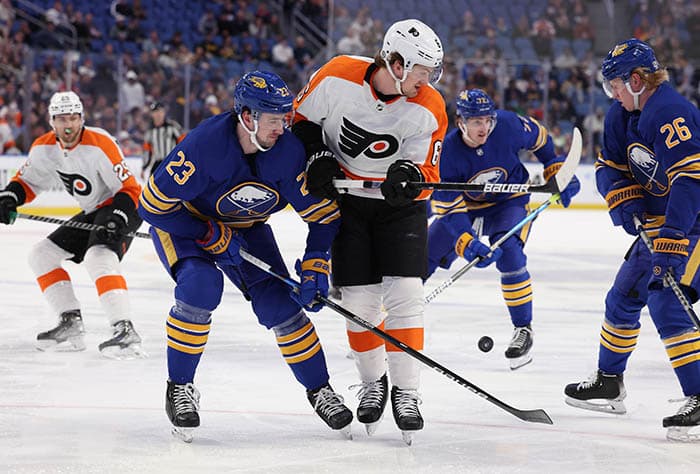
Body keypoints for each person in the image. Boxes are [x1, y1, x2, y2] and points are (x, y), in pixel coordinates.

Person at [137, 71, 353, 442]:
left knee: (281, 307)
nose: (282, 127)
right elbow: (152, 207)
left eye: (285, 118)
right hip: (188, 224)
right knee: (202, 285)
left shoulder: (288, 152)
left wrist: (317, 260)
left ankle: (320, 389)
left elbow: (323, 217)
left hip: (248, 227)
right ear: (248, 117)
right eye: (273, 119)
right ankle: (180, 388)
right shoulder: (203, 146)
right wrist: (206, 232)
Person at [293, 18, 447, 442]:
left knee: (406, 296)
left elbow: (429, 167)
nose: (427, 79)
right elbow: (301, 121)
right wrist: (317, 155)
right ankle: (373, 382)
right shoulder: (337, 75)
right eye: (421, 69)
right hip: (349, 204)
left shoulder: (430, 105)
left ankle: (406, 391)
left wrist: (410, 173)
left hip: (402, 209)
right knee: (360, 301)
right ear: (395, 62)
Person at [564, 38, 700, 442]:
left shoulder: (672, 111)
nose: (613, 94)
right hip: (663, 226)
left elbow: (691, 181)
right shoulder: (621, 115)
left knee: (665, 296)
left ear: (637, 79)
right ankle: (610, 380)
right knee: (623, 296)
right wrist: (622, 196)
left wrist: (673, 239)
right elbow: (607, 167)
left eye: (616, 85)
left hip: (693, 226)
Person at [426, 89, 580, 370]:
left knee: (510, 253)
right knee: (421, 257)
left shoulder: (508, 125)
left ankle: (523, 329)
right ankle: (395, 321)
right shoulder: (446, 152)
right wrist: (467, 242)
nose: (484, 127)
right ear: (461, 121)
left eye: (487, 119)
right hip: (466, 208)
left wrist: (554, 168)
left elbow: (541, 138)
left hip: (507, 202)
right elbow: (448, 209)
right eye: (475, 121)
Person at [0, 91, 144, 358]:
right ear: (51, 121)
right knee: (41, 255)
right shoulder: (44, 148)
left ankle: (124, 329)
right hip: (93, 210)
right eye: (62, 118)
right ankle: (70, 322)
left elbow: (130, 189)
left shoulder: (100, 143)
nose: (69, 125)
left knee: (98, 257)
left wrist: (118, 218)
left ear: (82, 118)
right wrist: (9, 198)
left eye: (74, 118)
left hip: (123, 207)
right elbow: (27, 182)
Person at [141, 101, 184, 178]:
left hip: (172, 162)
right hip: (158, 164)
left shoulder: (173, 127)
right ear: (152, 114)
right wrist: (144, 167)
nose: (158, 114)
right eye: (155, 112)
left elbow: (183, 144)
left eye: (160, 111)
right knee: (153, 186)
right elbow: (147, 152)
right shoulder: (150, 132)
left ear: (164, 113)